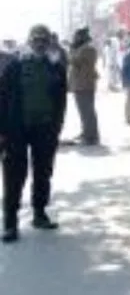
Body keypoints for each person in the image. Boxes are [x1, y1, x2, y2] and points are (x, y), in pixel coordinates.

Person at [0, 25, 67, 243]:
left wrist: (57, 127)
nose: (40, 43)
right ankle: (10, 222)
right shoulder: (14, 67)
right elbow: (2, 100)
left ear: (49, 43)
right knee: (14, 176)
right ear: (30, 41)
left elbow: (61, 101)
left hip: (45, 130)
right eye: (36, 39)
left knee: (43, 173)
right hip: (16, 130)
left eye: (44, 40)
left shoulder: (55, 68)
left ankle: (39, 213)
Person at [67, 27, 99, 146]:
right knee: (83, 111)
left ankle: (91, 136)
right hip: (80, 84)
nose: (75, 39)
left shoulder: (88, 49)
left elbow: (74, 61)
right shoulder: (81, 49)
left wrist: (71, 50)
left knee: (87, 111)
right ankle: (86, 132)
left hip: (85, 84)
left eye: (76, 37)